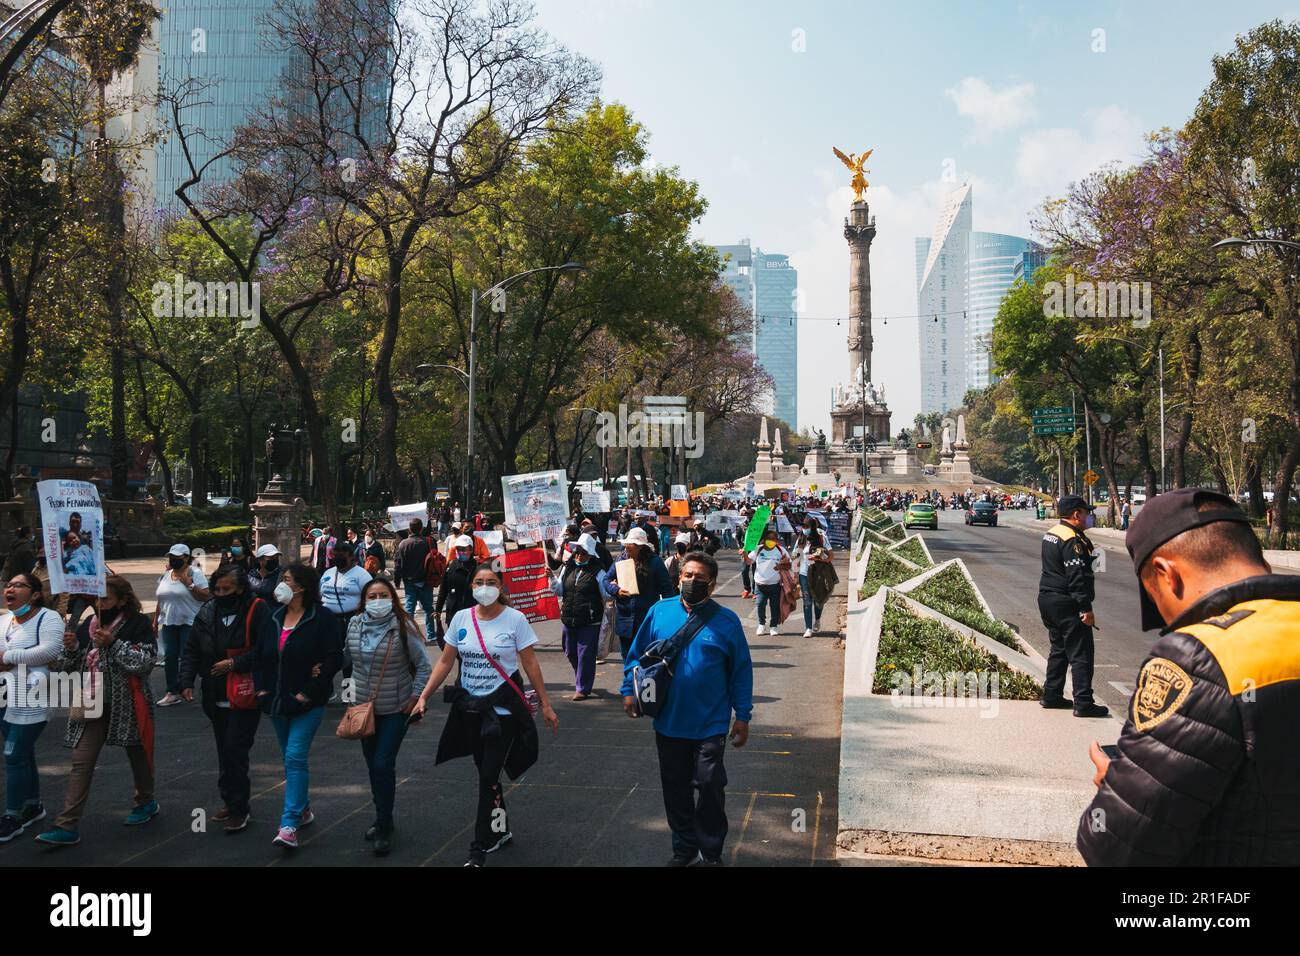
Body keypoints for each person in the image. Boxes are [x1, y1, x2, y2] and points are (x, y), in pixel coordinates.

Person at [1078, 488, 1300, 865]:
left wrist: (1117, 789)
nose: (1166, 621)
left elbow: (1118, 848)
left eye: (1155, 599)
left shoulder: (1196, 657)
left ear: (1167, 574)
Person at [412, 563, 559, 867]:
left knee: (488, 776)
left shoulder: (515, 620)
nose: (484, 587)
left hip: (503, 711)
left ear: (502, 587)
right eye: (478, 581)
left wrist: (545, 703)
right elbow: (445, 661)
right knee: (486, 775)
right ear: (471, 587)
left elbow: (530, 664)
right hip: (470, 709)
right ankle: (500, 829)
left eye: (491, 581)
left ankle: (477, 849)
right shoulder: (462, 618)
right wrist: (424, 696)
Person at [621, 552, 753, 866]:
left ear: (713, 584)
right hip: (668, 721)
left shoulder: (727, 621)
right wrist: (628, 689)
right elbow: (636, 656)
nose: (693, 581)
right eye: (688, 575)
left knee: (709, 786)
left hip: (711, 723)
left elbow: (741, 670)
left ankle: (711, 852)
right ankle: (684, 849)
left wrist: (743, 716)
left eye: (701, 577)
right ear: (679, 578)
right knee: (675, 789)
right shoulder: (659, 612)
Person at [35, 576, 157, 846]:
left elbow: (146, 662)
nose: (100, 604)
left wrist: (113, 643)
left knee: (137, 753)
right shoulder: (89, 624)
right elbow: (67, 668)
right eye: (97, 599)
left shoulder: (138, 624)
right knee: (82, 760)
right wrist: (73, 649)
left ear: (123, 600)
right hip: (91, 697)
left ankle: (146, 800)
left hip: (128, 700)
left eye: (106, 600)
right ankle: (67, 824)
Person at [252, 563, 343, 849]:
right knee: (287, 756)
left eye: (286, 579)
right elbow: (261, 655)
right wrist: (263, 690)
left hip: (307, 702)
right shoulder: (274, 616)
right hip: (276, 701)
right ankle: (302, 809)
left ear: (301, 587)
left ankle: (289, 823)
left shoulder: (323, 619)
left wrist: (308, 693)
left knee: (294, 756)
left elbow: (333, 659)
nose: (280, 583)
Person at [179, 564, 274, 834]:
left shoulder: (258, 610)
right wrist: (186, 681)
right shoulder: (207, 611)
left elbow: (267, 650)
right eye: (217, 589)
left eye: (227, 589)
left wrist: (235, 663)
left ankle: (239, 808)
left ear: (241, 588)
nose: (221, 594)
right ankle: (229, 798)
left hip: (244, 693)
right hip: (214, 692)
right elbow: (192, 649)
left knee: (235, 748)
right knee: (224, 749)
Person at [343, 578, 432, 855]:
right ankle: (384, 815)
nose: (377, 600)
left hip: (396, 708)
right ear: (364, 601)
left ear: (392, 599)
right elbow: (348, 662)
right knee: (373, 766)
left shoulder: (402, 627)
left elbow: (424, 667)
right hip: (364, 709)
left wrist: (416, 697)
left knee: (382, 763)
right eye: (372, 596)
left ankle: (383, 825)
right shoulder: (354, 625)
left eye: (383, 595)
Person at [0, 572, 63, 840]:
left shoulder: (48, 618)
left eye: (18, 585)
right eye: (8, 585)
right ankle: (33, 805)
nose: (10, 589)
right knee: (24, 754)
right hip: (5, 695)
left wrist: (9, 657)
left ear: (35, 594)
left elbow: (49, 651)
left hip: (34, 697)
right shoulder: (4, 621)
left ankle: (12, 815)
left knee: (13, 754)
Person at [1038, 495, 1108, 718]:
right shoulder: (1072, 540)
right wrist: (1085, 608)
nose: (1089, 517)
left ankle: (1052, 695)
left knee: (1059, 649)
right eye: (1086, 513)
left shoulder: (1052, 534)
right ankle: (1084, 702)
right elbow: (1076, 576)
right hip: (1067, 600)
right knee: (1081, 653)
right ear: (1076, 515)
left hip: (1048, 598)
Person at [604, 527, 673, 661]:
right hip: (625, 620)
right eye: (626, 543)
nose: (627, 547)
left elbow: (667, 591)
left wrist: (667, 617)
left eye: (631, 544)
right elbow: (605, 580)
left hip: (647, 620)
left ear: (640, 547)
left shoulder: (655, 562)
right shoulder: (621, 559)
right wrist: (616, 590)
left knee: (646, 659)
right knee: (628, 658)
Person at [552, 533, 608, 701]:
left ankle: (583, 687)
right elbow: (560, 590)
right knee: (570, 651)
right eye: (577, 551)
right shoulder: (568, 568)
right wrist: (551, 579)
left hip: (590, 620)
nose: (579, 555)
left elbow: (606, 594)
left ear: (590, 554)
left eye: (583, 552)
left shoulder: (599, 572)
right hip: (569, 618)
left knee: (585, 655)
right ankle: (582, 676)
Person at [154, 543, 210, 707]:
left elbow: (206, 596)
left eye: (177, 557)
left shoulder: (195, 573)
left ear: (186, 558)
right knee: (170, 656)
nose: (173, 560)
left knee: (188, 656)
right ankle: (172, 691)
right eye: (171, 556)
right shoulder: (166, 574)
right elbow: (161, 598)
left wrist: (190, 585)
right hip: (169, 622)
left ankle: (191, 686)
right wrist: (155, 619)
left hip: (190, 622)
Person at [395, 519, 437, 644]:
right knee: (429, 609)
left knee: (409, 609)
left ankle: (410, 635)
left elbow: (398, 564)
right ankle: (431, 636)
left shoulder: (403, 544)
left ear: (409, 529)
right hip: (426, 580)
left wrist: (397, 581)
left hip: (410, 581)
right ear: (421, 528)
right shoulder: (429, 542)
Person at [319, 542, 372, 634]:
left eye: (342, 555)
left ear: (351, 556)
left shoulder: (362, 575)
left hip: (351, 620)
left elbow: (370, 599)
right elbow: (319, 594)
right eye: (335, 554)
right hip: (326, 619)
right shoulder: (328, 573)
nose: (338, 557)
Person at [795, 521, 835, 638]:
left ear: (813, 527)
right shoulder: (801, 538)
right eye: (803, 526)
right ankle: (808, 628)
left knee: (818, 601)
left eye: (806, 526)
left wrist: (818, 558)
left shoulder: (821, 537)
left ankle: (817, 619)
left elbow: (830, 557)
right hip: (803, 574)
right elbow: (796, 556)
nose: (804, 529)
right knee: (807, 601)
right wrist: (795, 575)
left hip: (818, 574)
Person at [747, 531, 791, 637]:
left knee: (775, 606)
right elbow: (748, 562)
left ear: (776, 540)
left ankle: (773, 626)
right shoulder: (758, 549)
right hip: (760, 585)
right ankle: (761, 625)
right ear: (764, 539)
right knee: (760, 605)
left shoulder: (781, 550)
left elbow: (789, 564)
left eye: (773, 539)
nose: (771, 541)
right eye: (769, 538)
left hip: (775, 585)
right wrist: (744, 552)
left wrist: (780, 567)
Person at [437, 535, 479, 628]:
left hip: (473, 614)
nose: (460, 552)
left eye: (464, 549)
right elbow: (443, 590)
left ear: (471, 550)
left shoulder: (478, 568)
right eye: (458, 549)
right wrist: (438, 610)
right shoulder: (450, 566)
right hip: (453, 613)